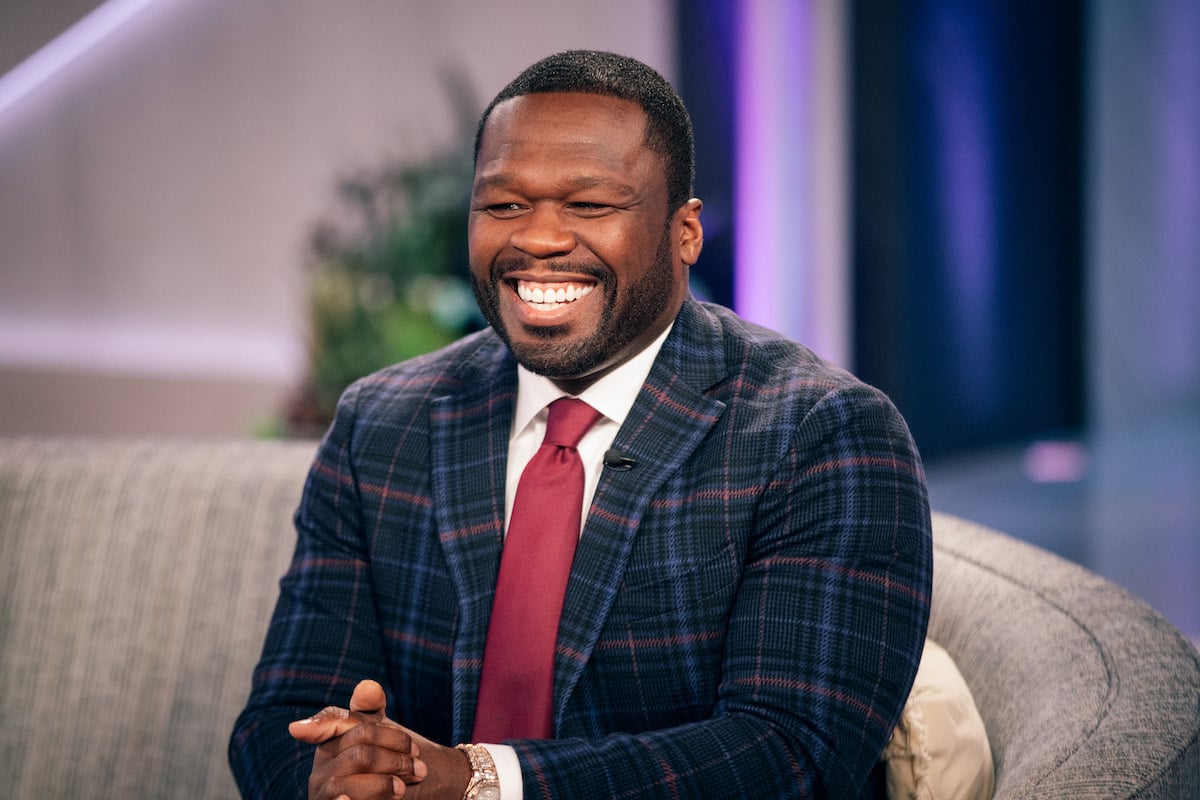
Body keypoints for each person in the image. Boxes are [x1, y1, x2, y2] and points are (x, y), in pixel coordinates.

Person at [230, 50, 932, 799]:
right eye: (503, 205)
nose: (537, 239)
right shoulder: (382, 423)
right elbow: (282, 715)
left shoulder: (823, 434)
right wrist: (339, 773)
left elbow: (792, 753)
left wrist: (481, 782)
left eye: (590, 205)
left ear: (684, 231)